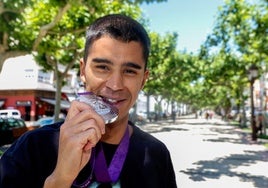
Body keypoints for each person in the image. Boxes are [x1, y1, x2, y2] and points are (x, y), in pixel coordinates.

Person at [0, 14, 177, 188]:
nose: (115, 85)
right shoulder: (32, 148)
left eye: (129, 71)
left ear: (144, 80)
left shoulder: (156, 155)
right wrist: (60, 178)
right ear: (83, 71)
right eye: (103, 67)